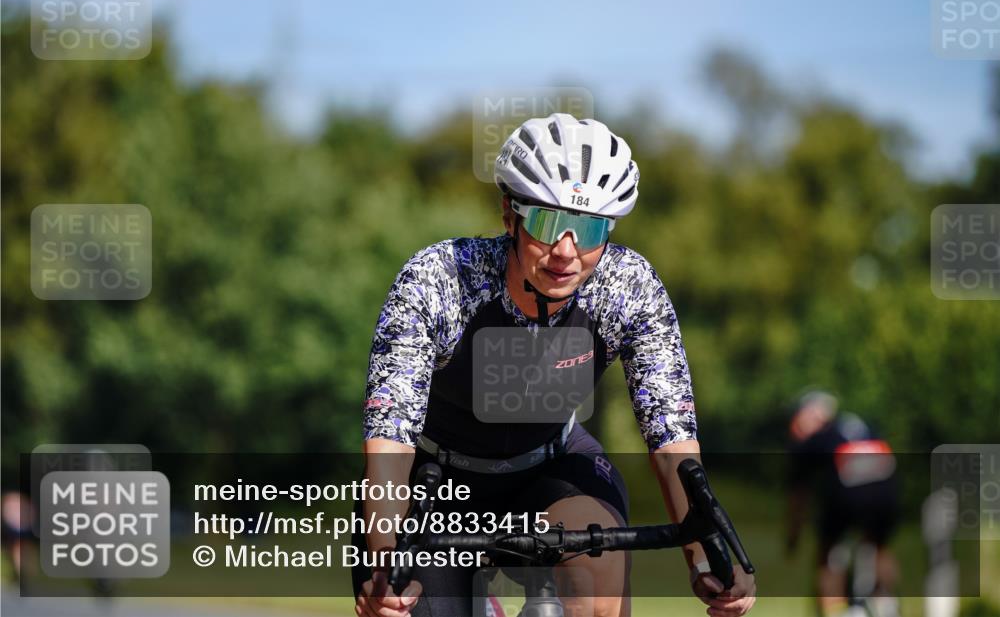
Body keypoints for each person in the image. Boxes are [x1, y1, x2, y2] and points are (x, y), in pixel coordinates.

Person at [354, 113, 756, 617]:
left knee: (596, 568)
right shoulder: (440, 279)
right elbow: (390, 438)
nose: (567, 252)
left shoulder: (627, 287)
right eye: (547, 224)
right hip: (433, 479)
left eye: (588, 229)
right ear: (510, 214)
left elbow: (671, 435)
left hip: (551, 468)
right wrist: (381, 555)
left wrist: (706, 556)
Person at [786, 390, 900, 617]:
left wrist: (793, 536)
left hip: (848, 488)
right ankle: (887, 606)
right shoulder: (860, 425)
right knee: (880, 548)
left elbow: (800, 493)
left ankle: (837, 612)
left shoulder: (817, 437)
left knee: (828, 555)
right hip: (886, 485)